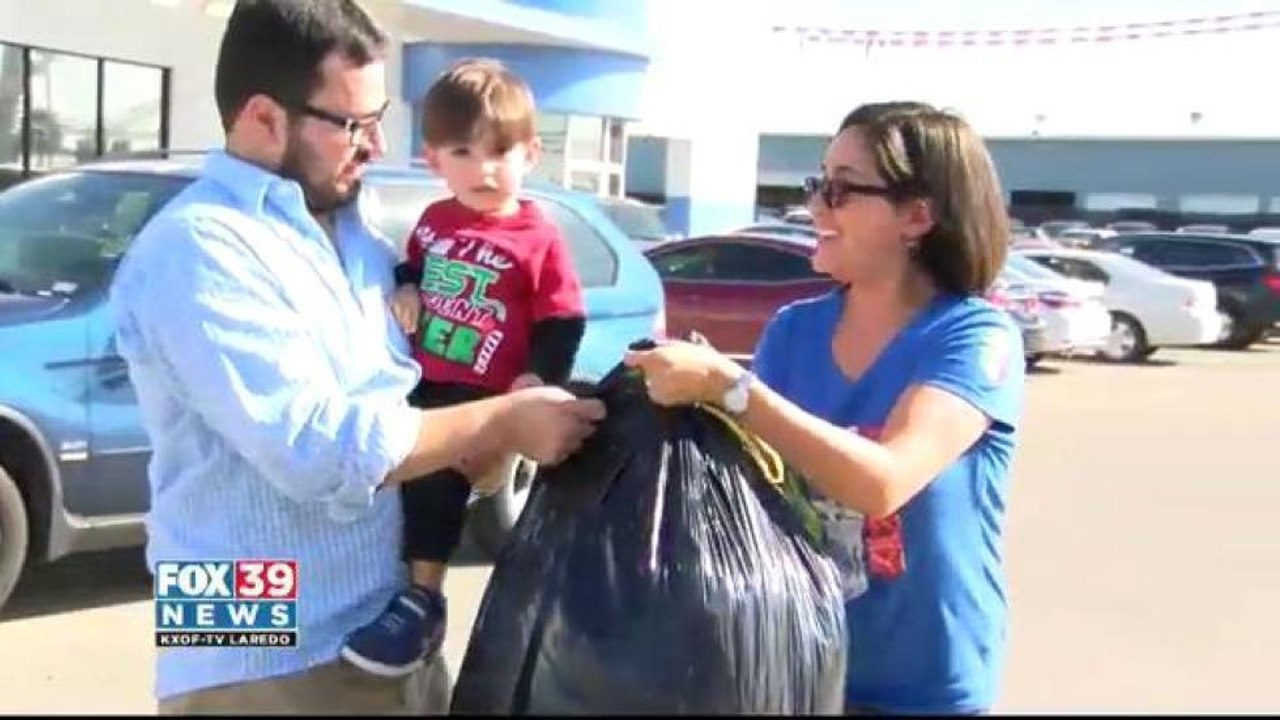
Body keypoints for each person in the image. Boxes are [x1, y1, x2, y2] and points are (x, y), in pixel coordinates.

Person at [108, 0, 604, 714]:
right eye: (352, 125)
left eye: (379, 122)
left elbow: (411, 403)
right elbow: (322, 450)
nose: (374, 146)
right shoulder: (200, 247)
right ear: (264, 118)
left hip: (384, 634)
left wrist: (484, 450)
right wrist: (501, 422)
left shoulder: (354, 235)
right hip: (265, 655)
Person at [624, 101, 1025, 715]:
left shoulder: (973, 337)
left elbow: (884, 481)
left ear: (916, 215)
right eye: (818, 184)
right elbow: (757, 476)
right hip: (797, 666)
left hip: (924, 691)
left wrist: (733, 390)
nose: (814, 208)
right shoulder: (794, 331)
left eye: (841, 190)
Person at [340, 57, 587, 677]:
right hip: (424, 382)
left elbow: (562, 318)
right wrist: (407, 288)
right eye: (464, 153)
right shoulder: (434, 222)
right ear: (434, 160)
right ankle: (406, 589)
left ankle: (426, 596)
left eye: (501, 152)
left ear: (532, 153)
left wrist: (535, 380)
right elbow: (414, 265)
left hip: (484, 397)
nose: (484, 169)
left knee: (437, 486)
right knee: (408, 488)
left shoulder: (540, 237)